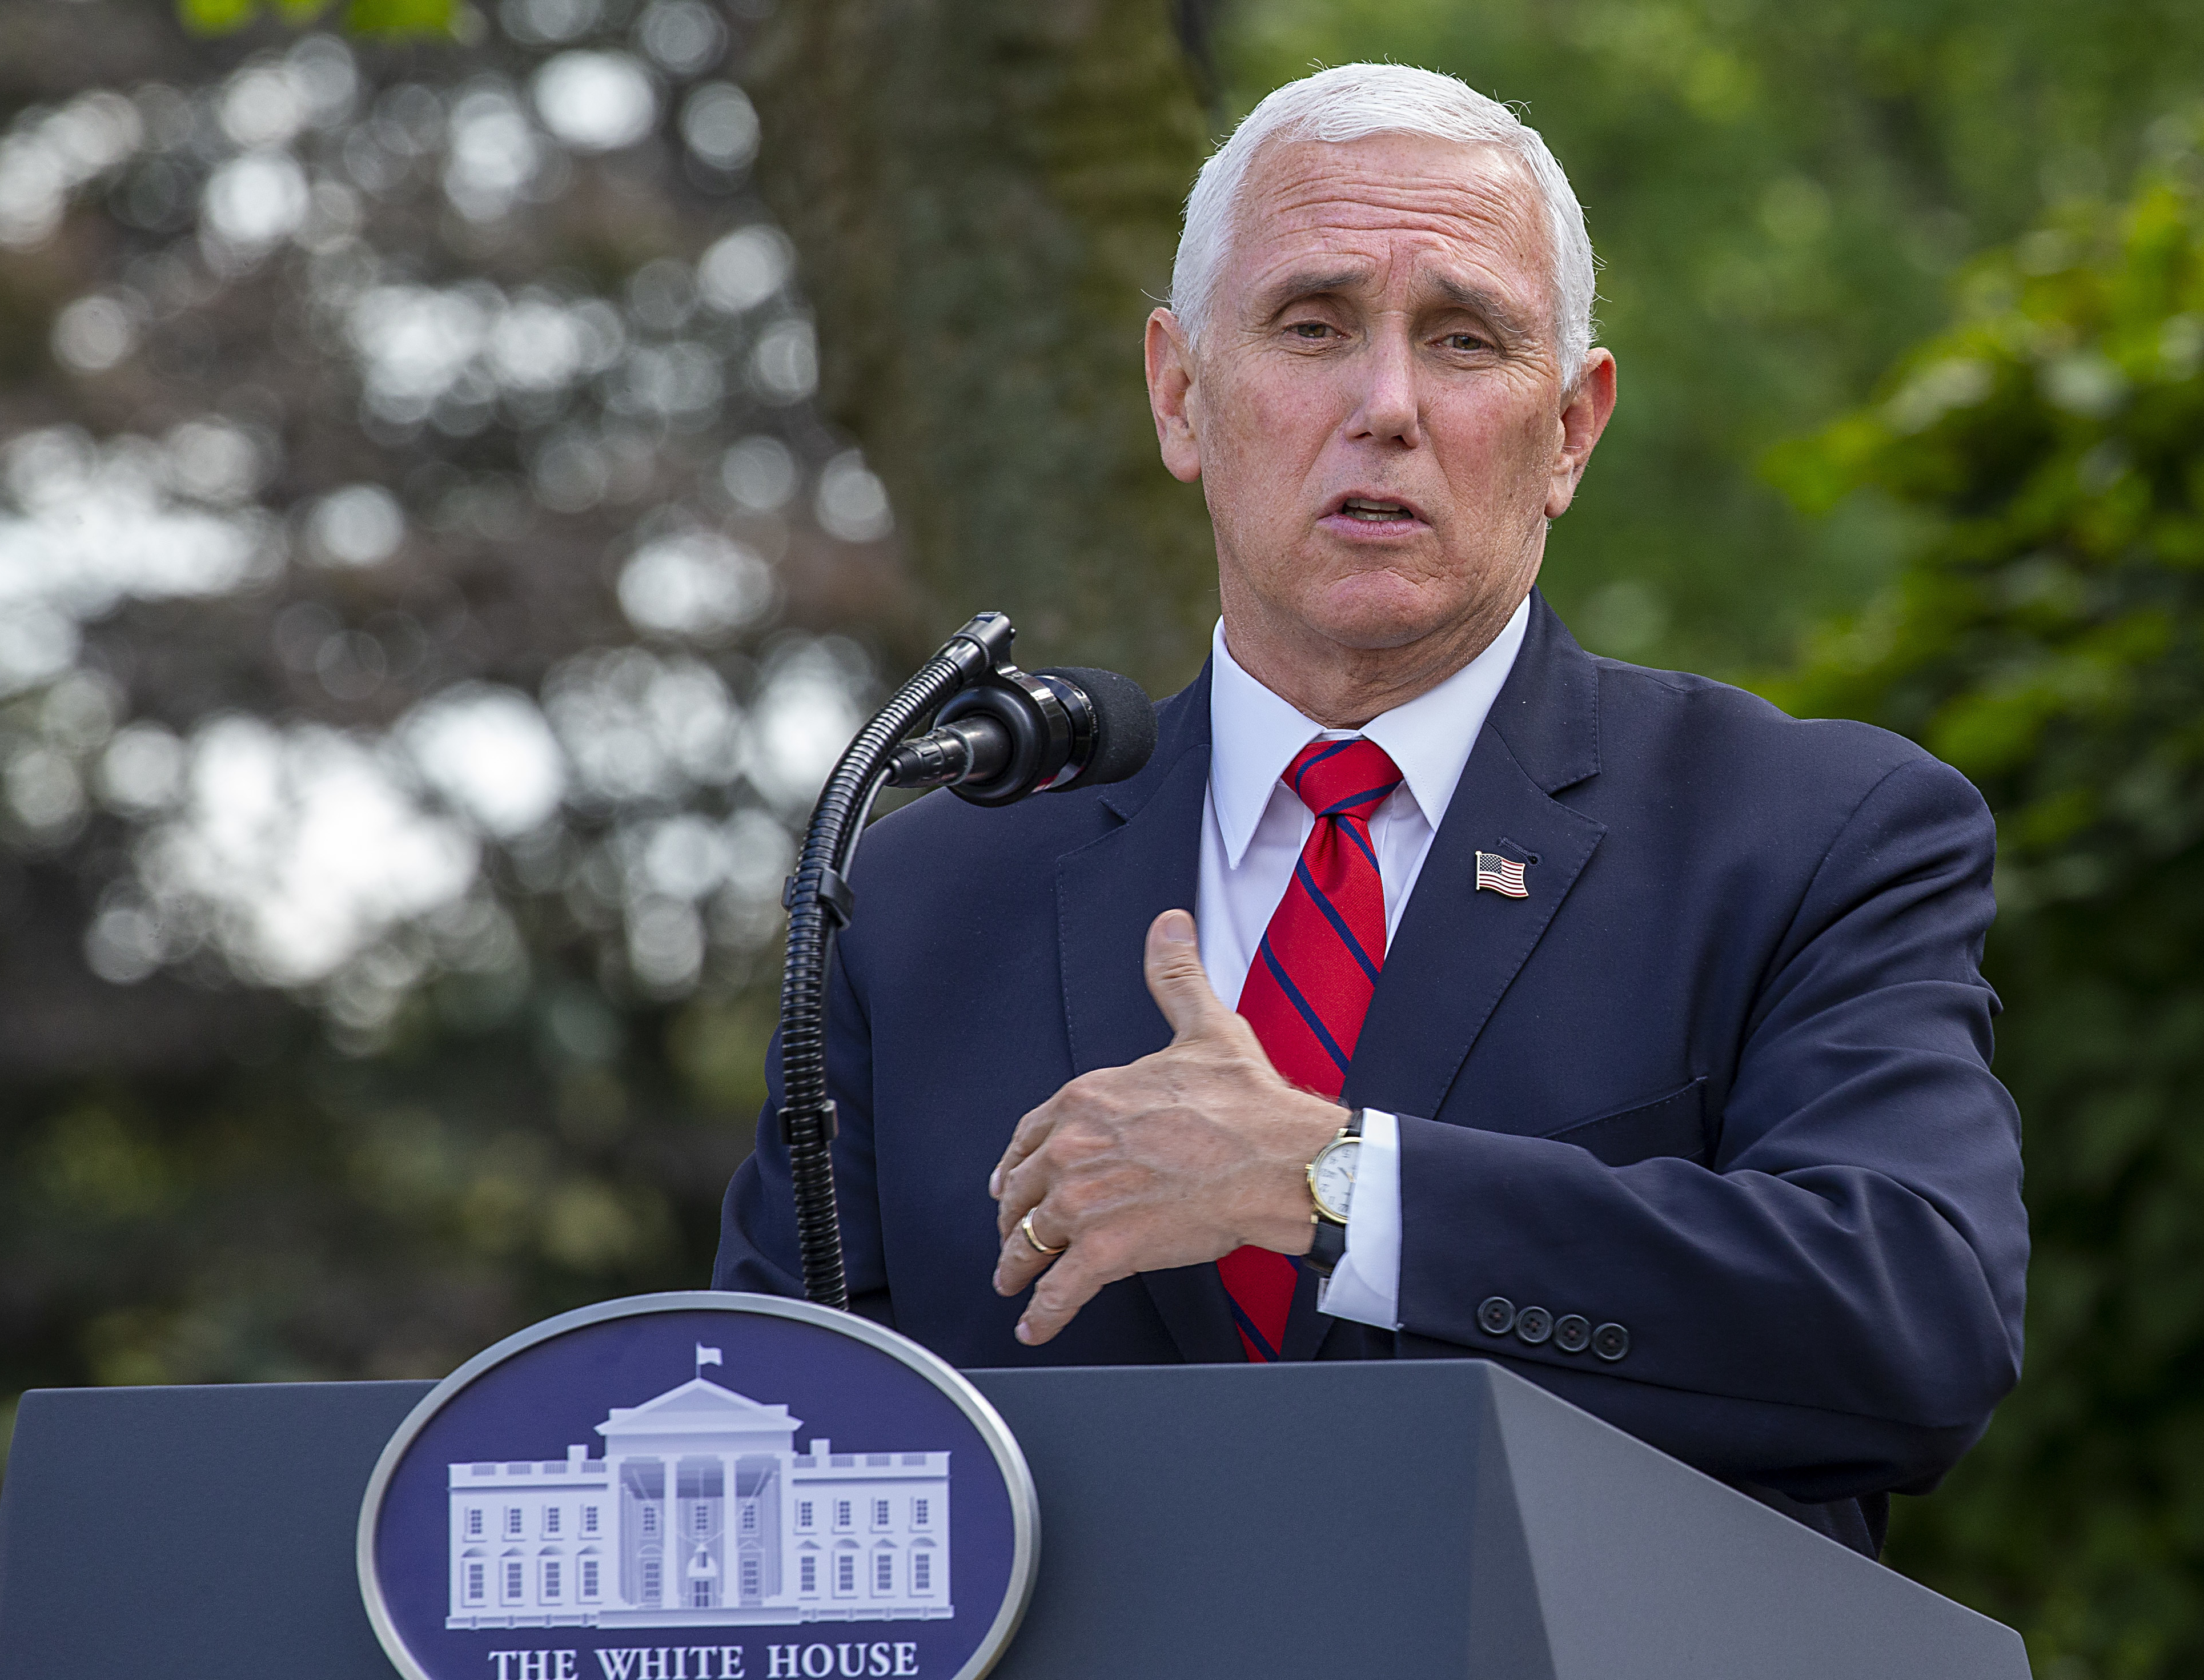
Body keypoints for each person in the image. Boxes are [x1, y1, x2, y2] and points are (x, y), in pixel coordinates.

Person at [715, 62, 2027, 1557]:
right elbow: (781, 1437)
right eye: (1311, 325)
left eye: (1463, 340)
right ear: (1178, 393)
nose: (1386, 406)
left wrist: (1338, 1185)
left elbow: (1912, 1323)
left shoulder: (1808, 832)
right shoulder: (924, 897)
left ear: (1571, 431)